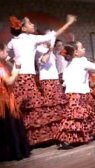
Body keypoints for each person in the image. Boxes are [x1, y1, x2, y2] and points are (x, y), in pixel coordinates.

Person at [7, 14, 76, 146]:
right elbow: (53, 35)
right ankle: (55, 138)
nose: (33, 25)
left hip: (21, 78)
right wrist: (68, 23)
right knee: (37, 108)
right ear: (23, 28)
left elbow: (6, 56)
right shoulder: (30, 39)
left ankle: (30, 140)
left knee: (28, 109)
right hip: (26, 79)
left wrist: (14, 65)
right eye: (30, 23)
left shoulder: (14, 41)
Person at [55, 41, 95, 149]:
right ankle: (62, 139)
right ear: (76, 52)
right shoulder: (82, 62)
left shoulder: (70, 64)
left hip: (75, 92)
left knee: (87, 113)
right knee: (73, 116)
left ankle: (91, 133)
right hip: (76, 93)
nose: (84, 49)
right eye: (82, 48)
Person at [0, 43, 30, 161]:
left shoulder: (3, 66)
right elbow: (9, 81)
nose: (7, 53)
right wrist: (17, 69)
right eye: (5, 51)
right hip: (5, 102)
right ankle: (15, 152)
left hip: (6, 100)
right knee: (10, 127)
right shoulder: (1, 68)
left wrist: (12, 65)